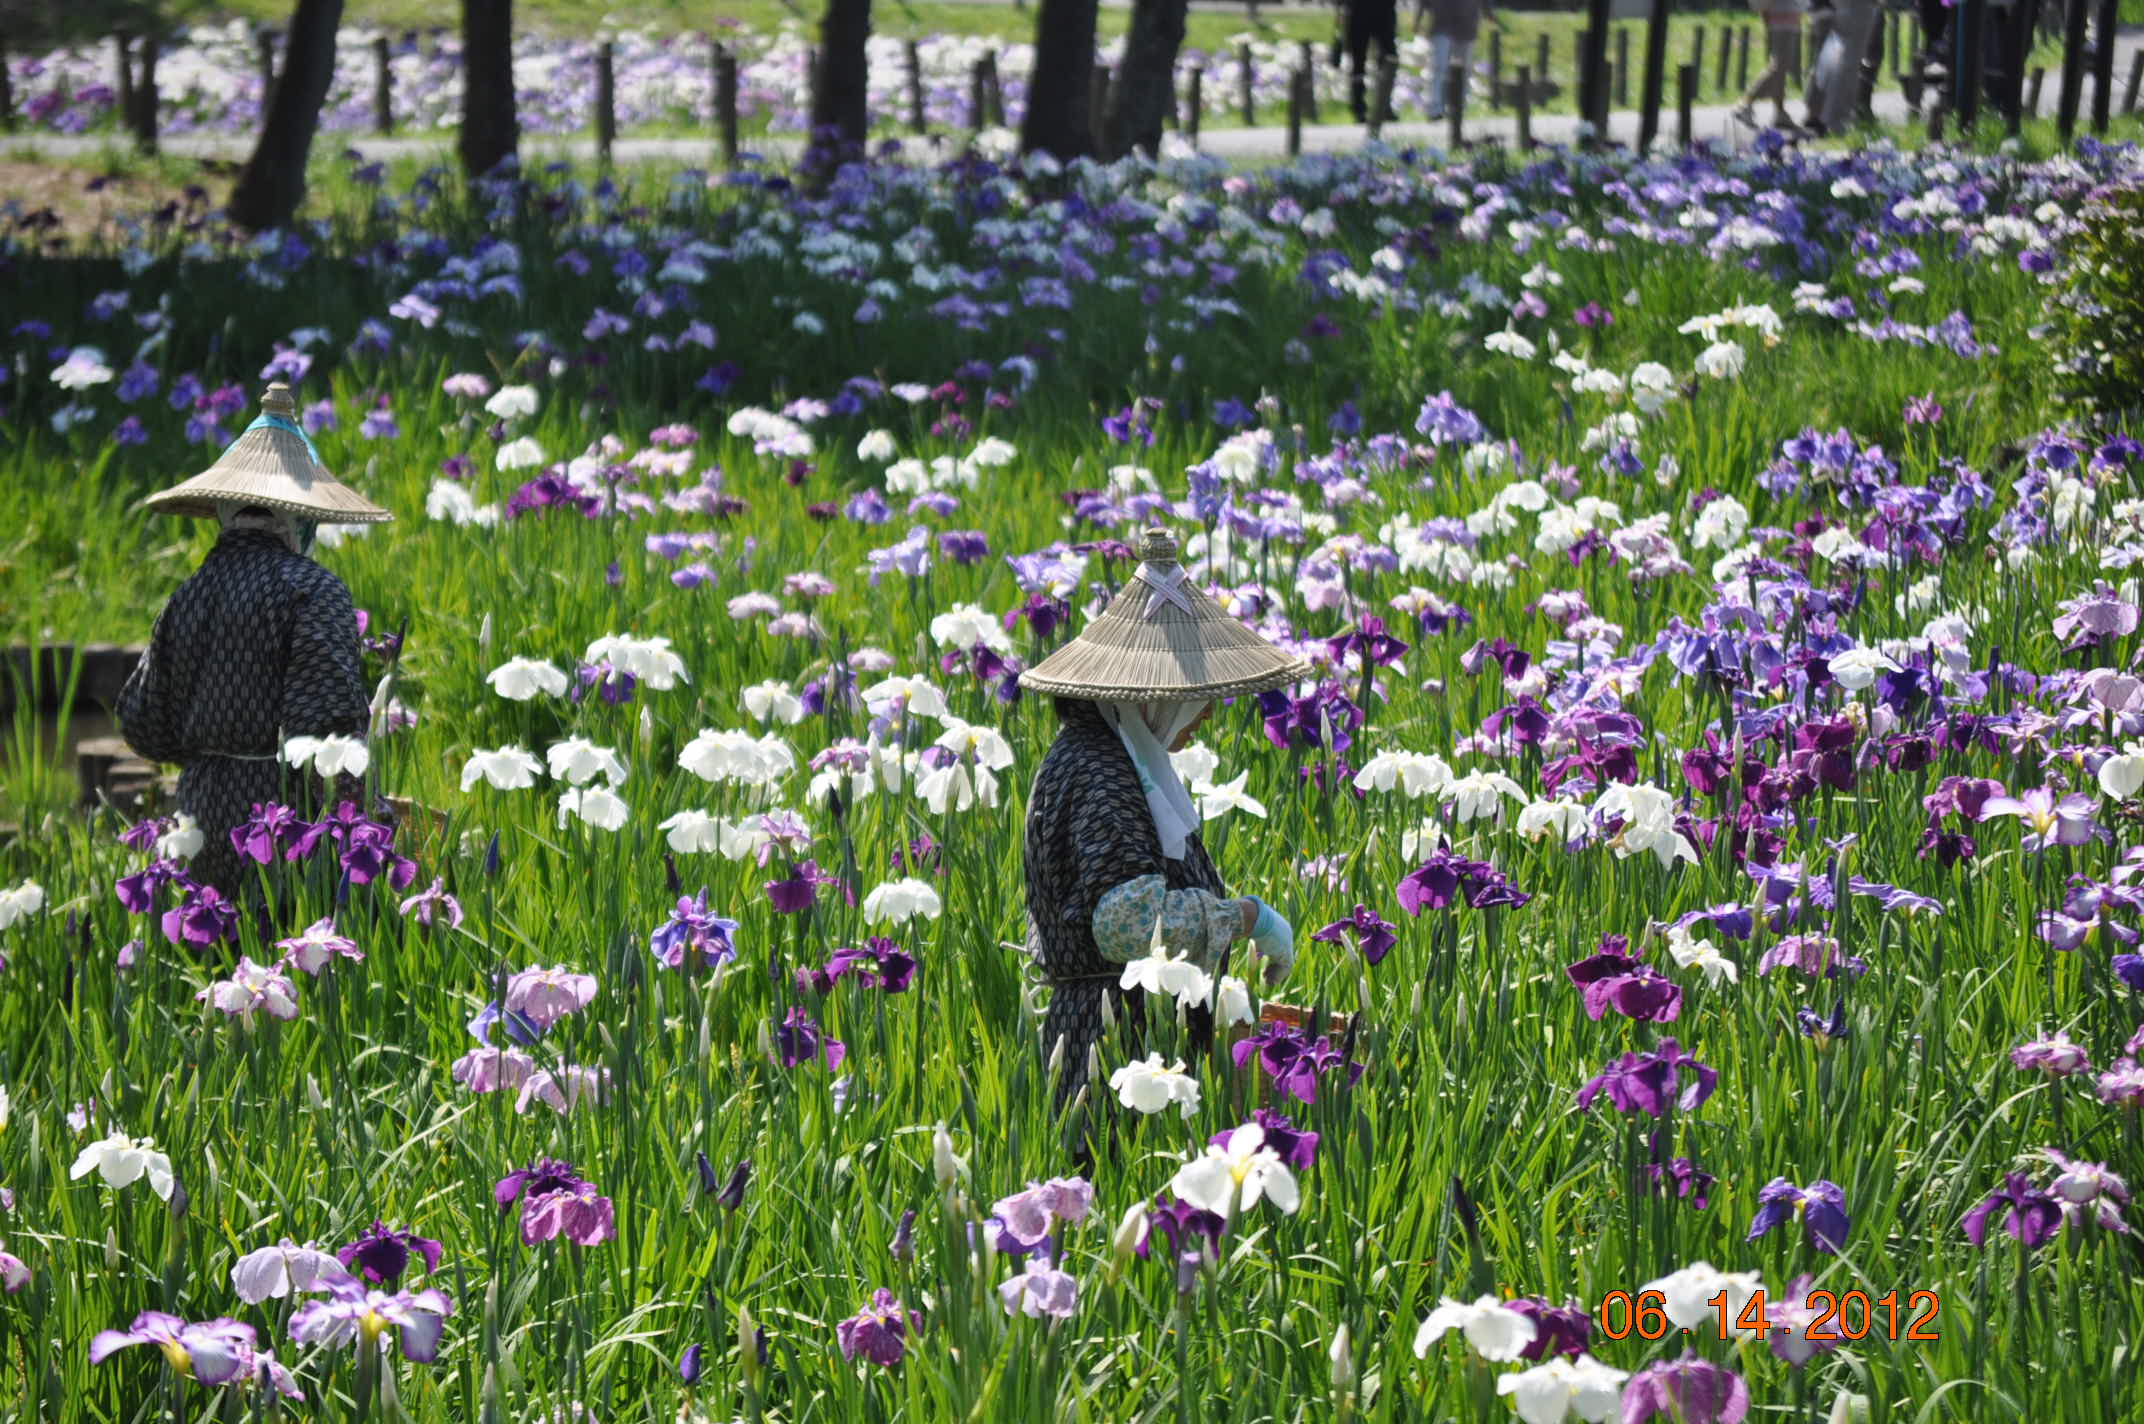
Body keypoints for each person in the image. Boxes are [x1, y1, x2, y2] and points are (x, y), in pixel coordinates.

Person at [1019, 527, 1309, 1111]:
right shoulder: (1101, 773)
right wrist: (1243, 916)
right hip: (1114, 1054)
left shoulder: (1115, 757)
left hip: (1128, 1040)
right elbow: (1127, 926)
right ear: (1151, 694)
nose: (1204, 714)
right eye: (1193, 696)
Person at [116, 382, 394, 897]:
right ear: (301, 516)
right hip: (281, 822)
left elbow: (142, 724)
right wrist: (361, 817)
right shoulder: (312, 589)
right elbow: (326, 726)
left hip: (198, 816)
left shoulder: (186, 597)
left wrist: (211, 749)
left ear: (224, 513)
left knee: (223, 966)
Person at [1736, 0, 1808, 129]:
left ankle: (1780, 112)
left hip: (1786, 17)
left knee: (1781, 67)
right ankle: (1745, 104)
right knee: (1779, 66)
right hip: (1782, 18)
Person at [1426, 0, 1489, 121]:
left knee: (1464, 69)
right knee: (1439, 67)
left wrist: (1487, 13)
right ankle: (1435, 108)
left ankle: (1459, 107)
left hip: (1467, 24)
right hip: (1441, 24)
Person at [1345, 0, 1401, 123]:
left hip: (1381, 11)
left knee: (1388, 61)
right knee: (1359, 63)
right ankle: (1359, 106)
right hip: (1361, 12)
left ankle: (1384, 104)